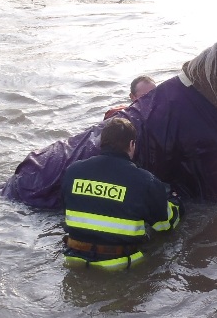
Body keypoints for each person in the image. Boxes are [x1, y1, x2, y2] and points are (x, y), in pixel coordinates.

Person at [60, 116, 181, 271]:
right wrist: (174, 203)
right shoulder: (146, 181)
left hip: (73, 259)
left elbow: (67, 209)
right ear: (131, 144)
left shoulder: (73, 171)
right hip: (119, 266)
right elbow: (164, 226)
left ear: (101, 143)